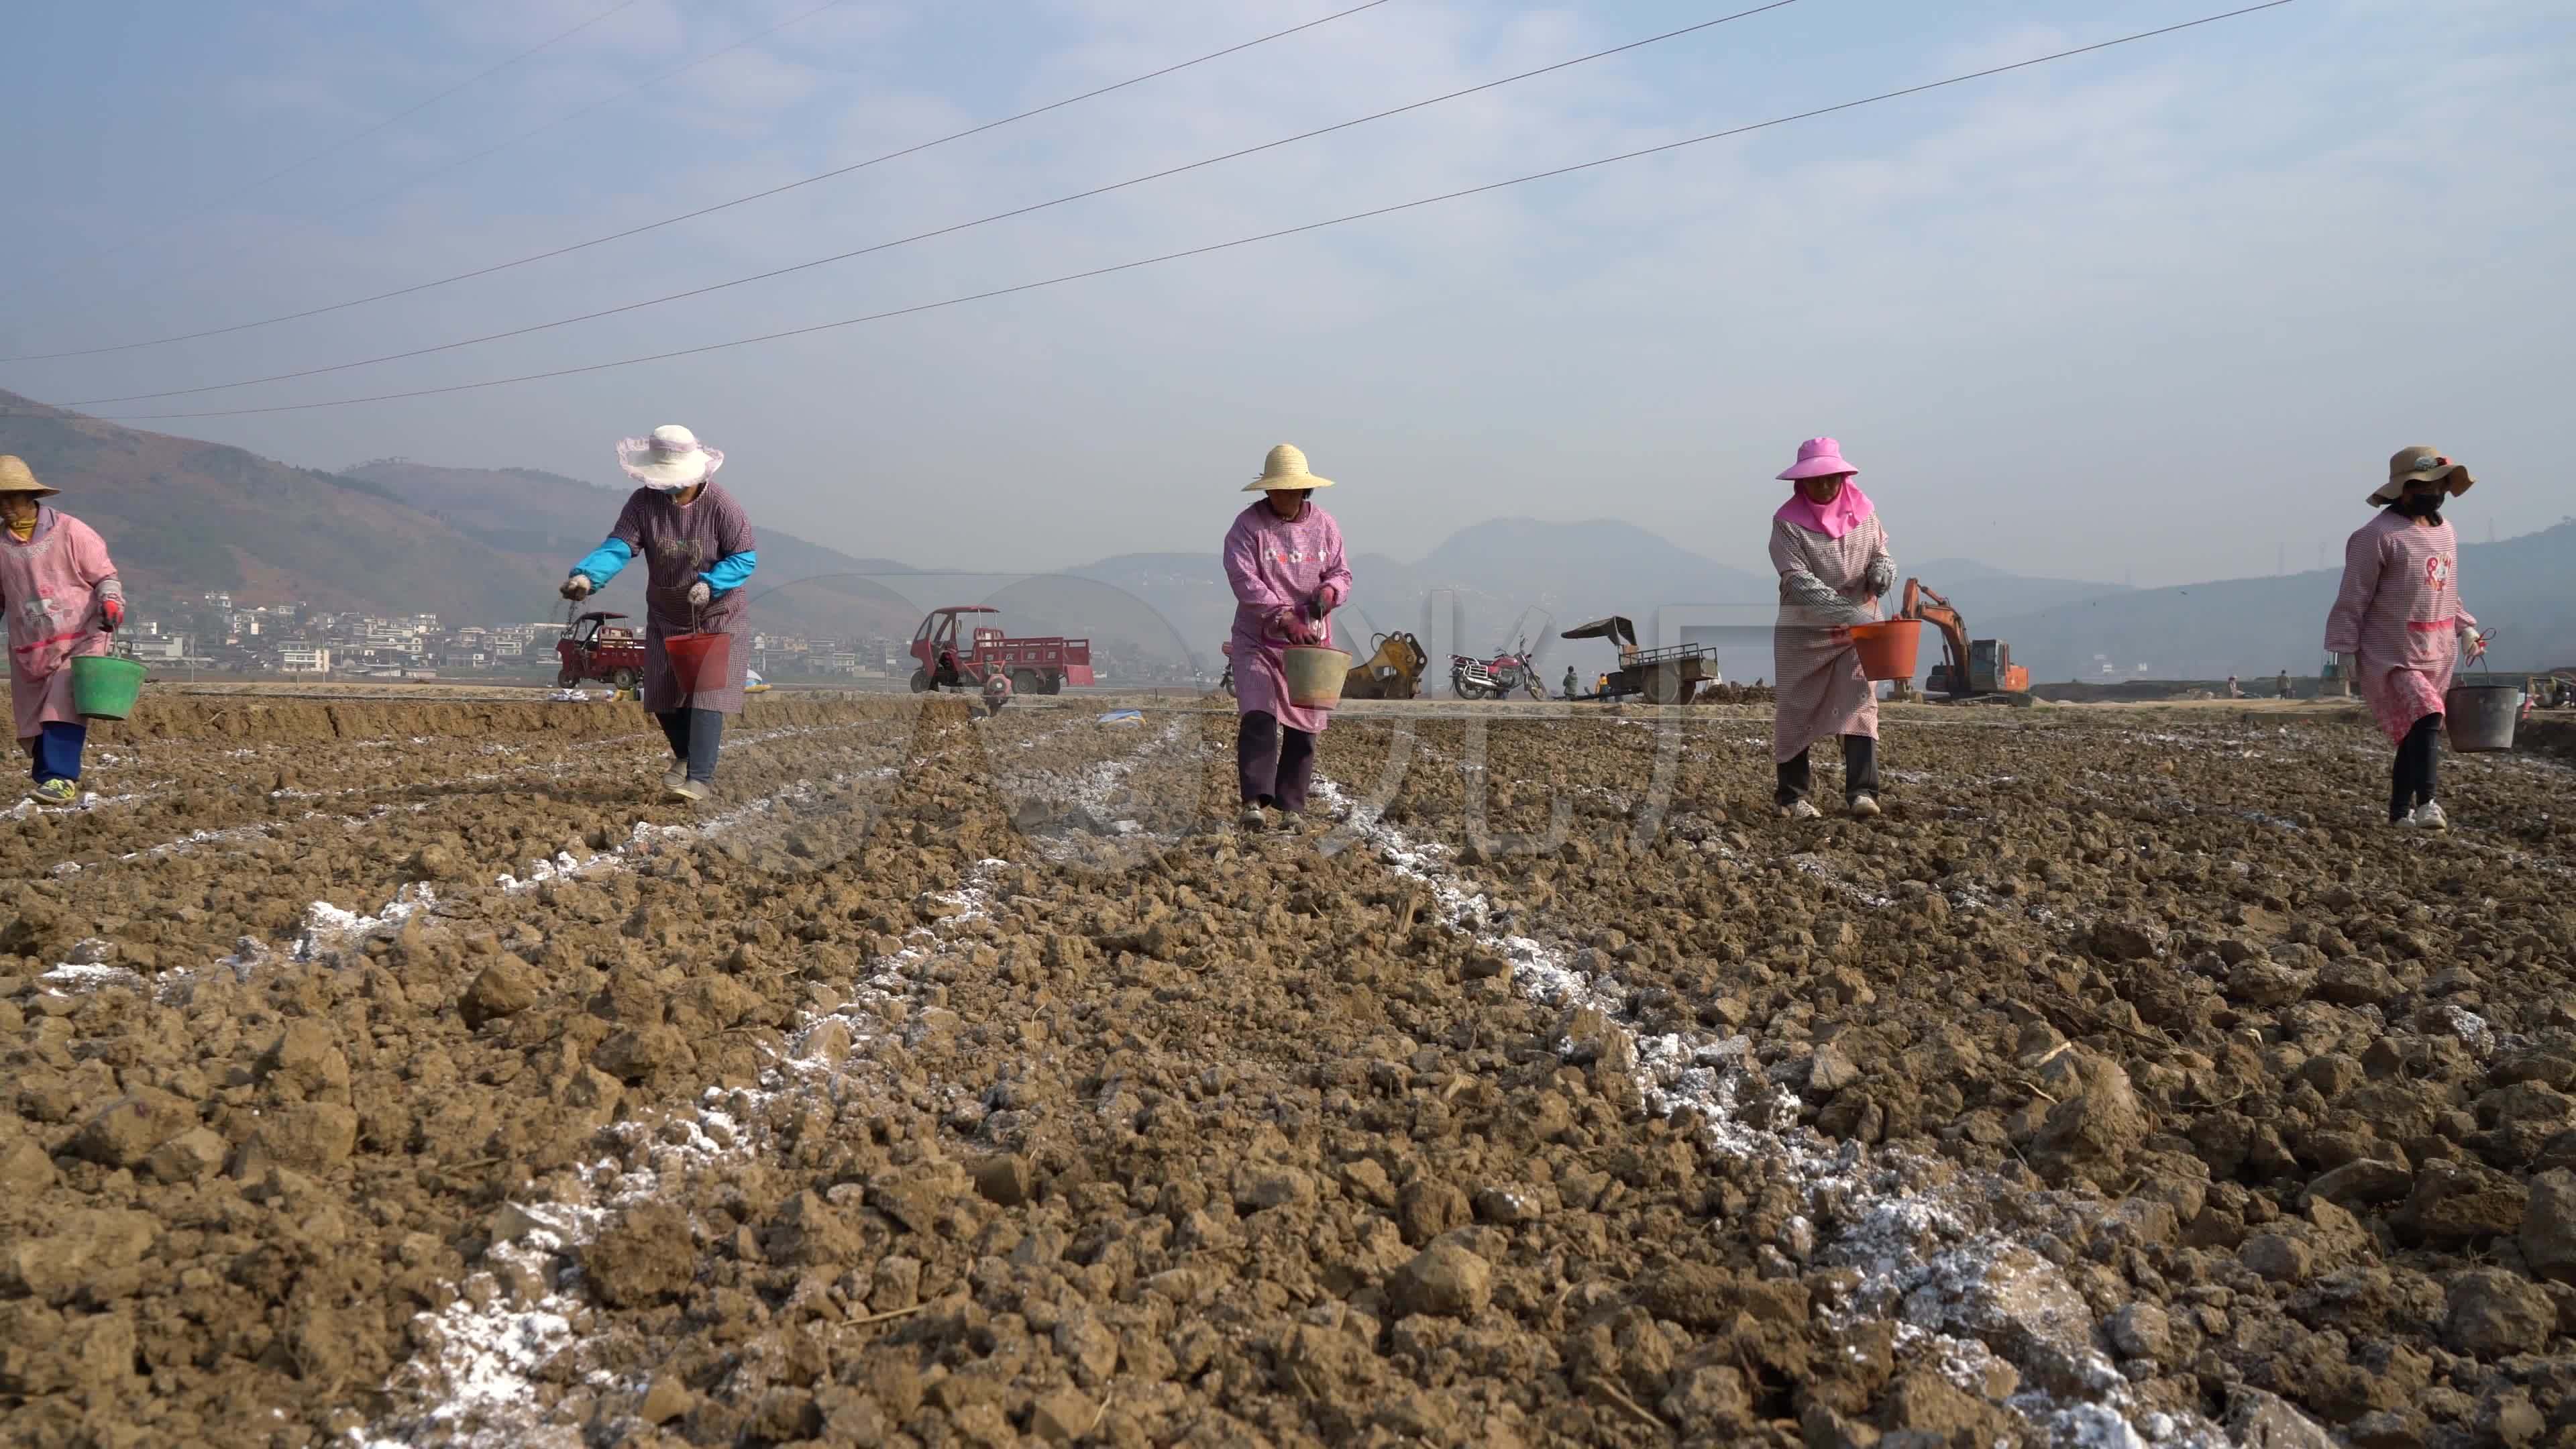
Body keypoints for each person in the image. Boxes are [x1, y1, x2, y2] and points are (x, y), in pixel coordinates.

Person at [561, 425, 757, 802]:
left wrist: (712, 584)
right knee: (662, 694)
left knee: (705, 694)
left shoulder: (722, 506)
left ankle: (700, 779)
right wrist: (587, 576)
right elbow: (619, 546)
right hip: (667, 612)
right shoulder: (642, 504)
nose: (668, 488)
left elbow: (744, 557)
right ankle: (684, 757)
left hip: (716, 612)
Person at [2324, 446, 2480, 830]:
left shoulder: (2446, 533)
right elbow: (2353, 595)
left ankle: (2399, 812)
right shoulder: (2375, 537)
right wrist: (2343, 648)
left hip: (2438, 649)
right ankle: (2428, 803)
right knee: (2428, 716)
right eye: (2428, 485)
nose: (2436, 492)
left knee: (2417, 731)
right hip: (2391, 653)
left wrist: (2467, 627)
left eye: (2441, 484)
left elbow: (2445, 589)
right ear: (2404, 489)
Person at [1222, 443, 1350, 831]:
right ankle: (1254, 803)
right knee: (1258, 714)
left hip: (1309, 641)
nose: (1284, 495)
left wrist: (1330, 593)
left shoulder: (1325, 525)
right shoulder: (1248, 528)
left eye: (1292, 489)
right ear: (1267, 490)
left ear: (1304, 491)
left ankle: (1292, 807)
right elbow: (1244, 580)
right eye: (1277, 489)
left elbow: (1341, 572)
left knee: (1304, 725)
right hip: (1259, 638)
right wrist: (1280, 615)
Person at [1766, 437, 1893, 819]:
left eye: (1830, 479)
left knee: (1859, 703)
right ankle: (1792, 796)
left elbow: (1882, 553)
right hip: (1804, 632)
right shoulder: (1787, 524)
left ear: (1842, 478)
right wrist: (1845, 611)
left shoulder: (1866, 514)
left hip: (1860, 631)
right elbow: (1799, 581)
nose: (1824, 486)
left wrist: (1883, 571)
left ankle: (1862, 792)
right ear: (1801, 484)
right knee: (1796, 709)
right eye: (1815, 480)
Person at [0, 457, 123, 805]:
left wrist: (111, 603)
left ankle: (60, 778)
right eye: (1, 500)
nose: (7, 507)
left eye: (13, 498)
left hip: (82, 635)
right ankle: (46, 780)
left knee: (62, 704)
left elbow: (105, 577)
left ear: (31, 496)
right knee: (33, 716)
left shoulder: (71, 532)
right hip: (31, 645)